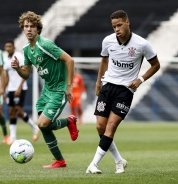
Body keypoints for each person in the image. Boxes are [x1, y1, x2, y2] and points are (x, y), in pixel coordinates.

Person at [86, 10, 160, 174]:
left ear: (128, 22)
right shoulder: (108, 41)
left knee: (110, 127)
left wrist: (140, 80)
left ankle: (93, 164)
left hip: (125, 90)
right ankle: (119, 161)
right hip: (108, 86)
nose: (116, 29)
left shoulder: (142, 44)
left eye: (119, 25)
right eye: (114, 26)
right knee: (100, 127)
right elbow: (104, 60)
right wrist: (98, 83)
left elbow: (156, 65)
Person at [11, 11, 79, 168]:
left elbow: (70, 60)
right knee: (44, 126)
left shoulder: (46, 44)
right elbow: (26, 74)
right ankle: (60, 161)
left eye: (32, 26)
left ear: (37, 28)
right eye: (26, 26)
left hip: (59, 89)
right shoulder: (27, 49)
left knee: (42, 123)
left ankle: (69, 121)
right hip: (47, 91)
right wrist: (17, 69)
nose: (28, 29)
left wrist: (69, 87)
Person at [3, 40, 39, 145]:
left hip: (20, 88)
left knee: (18, 110)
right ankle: (13, 137)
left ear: (14, 47)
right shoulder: (6, 59)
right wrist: (4, 90)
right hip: (10, 89)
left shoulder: (19, 56)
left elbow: (25, 71)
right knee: (11, 112)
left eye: (10, 46)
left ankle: (34, 127)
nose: (8, 48)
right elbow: (6, 77)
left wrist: (19, 87)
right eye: (6, 47)